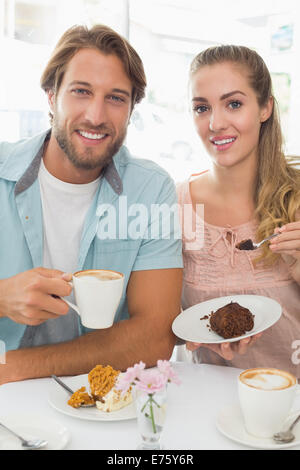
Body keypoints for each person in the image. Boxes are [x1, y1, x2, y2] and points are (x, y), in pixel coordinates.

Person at [0, 25, 183, 384]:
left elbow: (155, 336)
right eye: (81, 92)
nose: (96, 116)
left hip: (103, 403)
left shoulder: (150, 189)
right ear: (52, 97)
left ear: (131, 110)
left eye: (116, 98)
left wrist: (13, 368)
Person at [177, 44, 300, 377]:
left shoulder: (297, 198)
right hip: (206, 407)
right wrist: (193, 337)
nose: (216, 123)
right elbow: (157, 321)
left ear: (265, 108)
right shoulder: (174, 206)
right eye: (202, 108)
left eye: (233, 104)